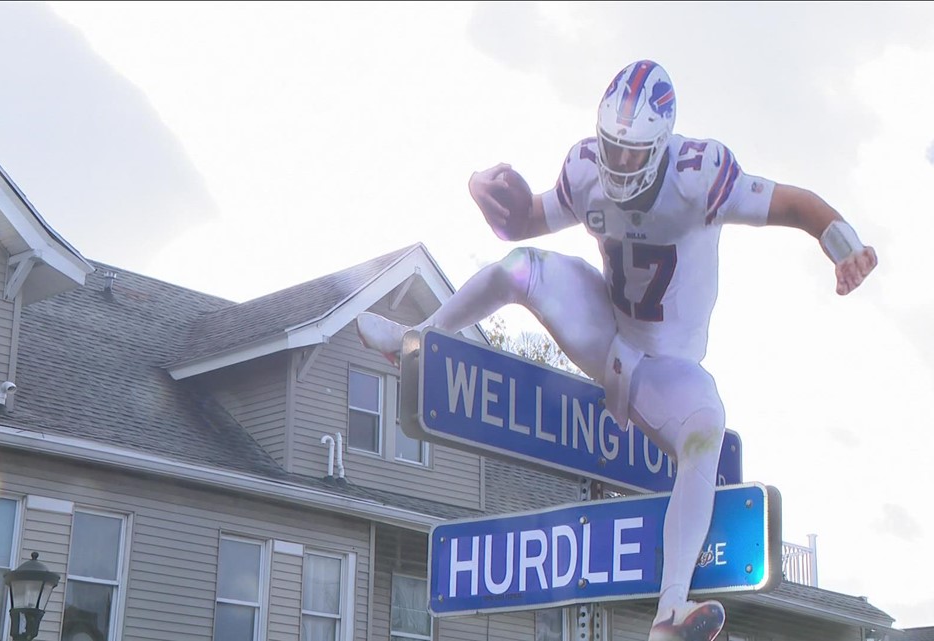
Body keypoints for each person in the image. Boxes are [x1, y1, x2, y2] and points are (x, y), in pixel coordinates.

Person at [357, 59, 877, 641]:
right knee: (519, 270)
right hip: (607, 329)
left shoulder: (699, 175)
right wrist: (484, 187)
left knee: (704, 433)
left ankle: (669, 612)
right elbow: (526, 221)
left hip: (669, 365)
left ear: (662, 145)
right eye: (614, 148)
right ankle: (416, 342)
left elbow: (795, 205)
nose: (621, 163)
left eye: (634, 154)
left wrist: (844, 245)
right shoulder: (585, 168)